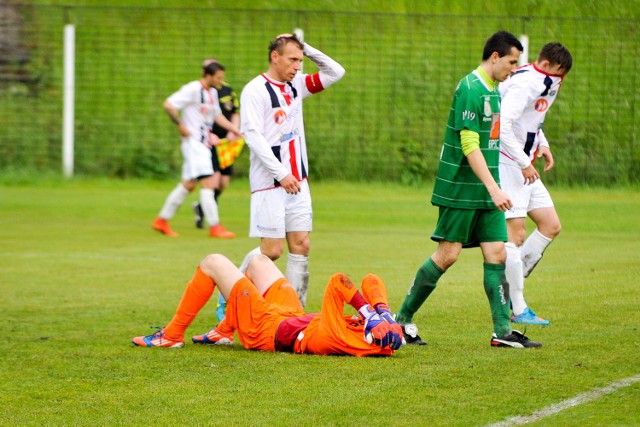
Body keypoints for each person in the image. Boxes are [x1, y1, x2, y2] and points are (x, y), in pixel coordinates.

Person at [394, 30, 542, 348]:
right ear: (494, 57)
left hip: (486, 190)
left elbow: (496, 138)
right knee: (447, 255)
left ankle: (502, 332)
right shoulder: (470, 88)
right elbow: (470, 144)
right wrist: (494, 187)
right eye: (512, 62)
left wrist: (537, 145)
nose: (514, 68)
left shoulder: (494, 91)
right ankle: (401, 322)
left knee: (497, 252)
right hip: (461, 188)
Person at [237, 34, 345, 308]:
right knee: (272, 251)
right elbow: (253, 136)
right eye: (293, 59)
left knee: (301, 245)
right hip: (270, 182)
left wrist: (305, 47)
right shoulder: (255, 90)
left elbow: (336, 71)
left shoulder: (296, 85)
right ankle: (230, 292)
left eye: (300, 60)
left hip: (298, 180)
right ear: (275, 57)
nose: (299, 66)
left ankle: (293, 312)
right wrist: (281, 173)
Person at [131, 253, 403, 356]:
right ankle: (225, 330)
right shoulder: (375, 337)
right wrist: (383, 313)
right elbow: (371, 280)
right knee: (259, 261)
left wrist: (368, 312)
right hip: (293, 316)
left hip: (264, 329)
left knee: (212, 262)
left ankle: (171, 335)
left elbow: (338, 282)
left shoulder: (339, 337)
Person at [498, 42, 573, 325]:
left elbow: (532, 120)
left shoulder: (541, 80)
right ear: (550, 67)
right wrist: (524, 163)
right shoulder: (526, 84)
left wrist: (543, 145)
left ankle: (510, 285)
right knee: (515, 237)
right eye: (560, 74)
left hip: (525, 162)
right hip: (511, 163)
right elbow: (503, 125)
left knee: (551, 225)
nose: (560, 81)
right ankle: (516, 307)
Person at [151, 61, 242, 238]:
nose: (221, 81)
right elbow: (169, 105)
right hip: (193, 143)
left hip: (204, 144)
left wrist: (234, 129)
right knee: (209, 183)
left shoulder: (213, 92)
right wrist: (180, 125)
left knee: (188, 185)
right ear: (207, 75)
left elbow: (216, 115)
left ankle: (161, 221)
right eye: (218, 77)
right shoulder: (192, 89)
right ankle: (215, 227)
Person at [192, 58, 244, 232]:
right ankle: (213, 221)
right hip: (209, 143)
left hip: (226, 143)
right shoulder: (201, 93)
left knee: (223, 183)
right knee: (212, 182)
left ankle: (201, 206)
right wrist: (208, 133)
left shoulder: (227, 90)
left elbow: (234, 112)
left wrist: (234, 130)